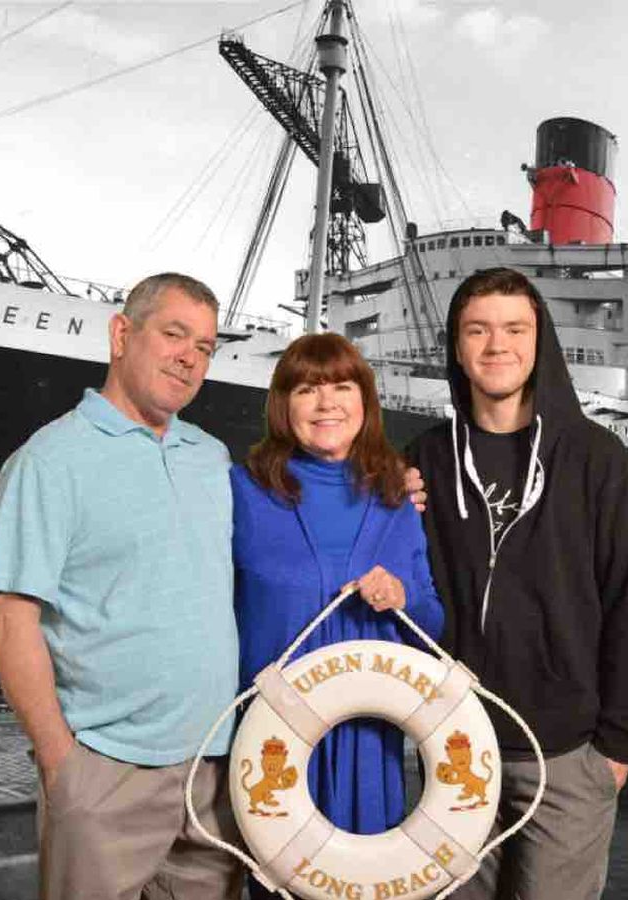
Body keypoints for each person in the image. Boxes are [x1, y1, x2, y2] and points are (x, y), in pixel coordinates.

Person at [0, 273, 243, 900]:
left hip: (213, 772)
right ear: (122, 335)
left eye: (205, 347)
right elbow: (10, 620)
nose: (189, 358)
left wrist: (395, 486)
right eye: (174, 334)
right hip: (106, 769)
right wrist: (63, 767)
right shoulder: (50, 460)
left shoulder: (212, 457)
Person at [407, 267, 628, 900]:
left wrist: (617, 744)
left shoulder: (597, 458)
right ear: (456, 344)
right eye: (478, 330)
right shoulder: (424, 459)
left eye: (515, 329)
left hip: (567, 755)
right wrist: (383, 506)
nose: (497, 345)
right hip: (454, 748)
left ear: (539, 340)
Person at [232, 333, 443, 888]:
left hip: (368, 742)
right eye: (307, 389)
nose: (326, 403)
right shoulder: (242, 491)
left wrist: (401, 597)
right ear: (284, 405)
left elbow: (433, 624)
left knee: (365, 886)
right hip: (272, 738)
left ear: (365, 401)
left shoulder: (397, 498)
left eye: (342, 387)